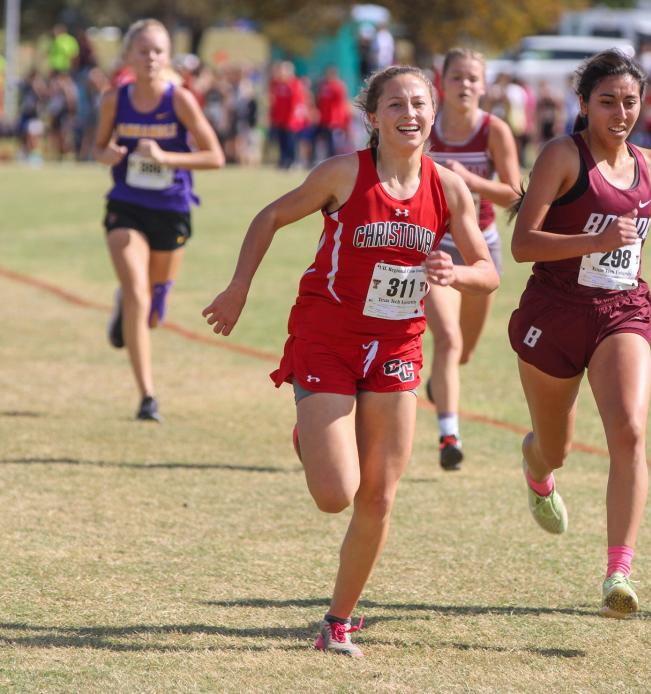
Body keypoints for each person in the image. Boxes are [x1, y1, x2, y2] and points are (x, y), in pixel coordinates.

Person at [202, 66, 498, 657]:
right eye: (395, 104)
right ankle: (312, 435)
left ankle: (337, 620)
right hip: (328, 339)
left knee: (380, 497)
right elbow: (270, 217)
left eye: (419, 103)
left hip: (397, 346)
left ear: (432, 113)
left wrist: (456, 272)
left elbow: (488, 273)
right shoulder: (344, 173)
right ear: (373, 117)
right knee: (336, 493)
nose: (409, 114)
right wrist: (238, 287)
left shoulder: (450, 188)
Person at [508, 50, 651, 619]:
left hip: (622, 311)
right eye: (607, 101)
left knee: (631, 431)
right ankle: (537, 468)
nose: (620, 112)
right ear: (583, 103)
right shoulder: (563, 156)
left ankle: (619, 570)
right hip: (554, 312)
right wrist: (592, 241)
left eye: (630, 102)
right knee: (555, 444)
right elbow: (522, 244)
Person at [93, 19, 224, 421]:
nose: (150, 58)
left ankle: (146, 299)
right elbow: (97, 147)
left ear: (166, 57)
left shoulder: (179, 100)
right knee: (136, 292)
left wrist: (167, 158)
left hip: (171, 208)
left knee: (151, 306)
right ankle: (147, 396)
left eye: (158, 51)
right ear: (129, 56)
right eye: (143, 50)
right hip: (127, 204)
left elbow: (214, 157)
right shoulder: (116, 100)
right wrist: (108, 154)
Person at [425, 47, 521, 469]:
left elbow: (516, 194)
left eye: (472, 78)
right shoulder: (424, 129)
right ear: (441, 83)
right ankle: (449, 435)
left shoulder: (493, 131)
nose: (464, 85)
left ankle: (439, 385)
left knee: (463, 352)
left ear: (483, 86)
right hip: (431, 250)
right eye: (456, 77)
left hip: (481, 250)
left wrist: (466, 180)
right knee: (448, 339)